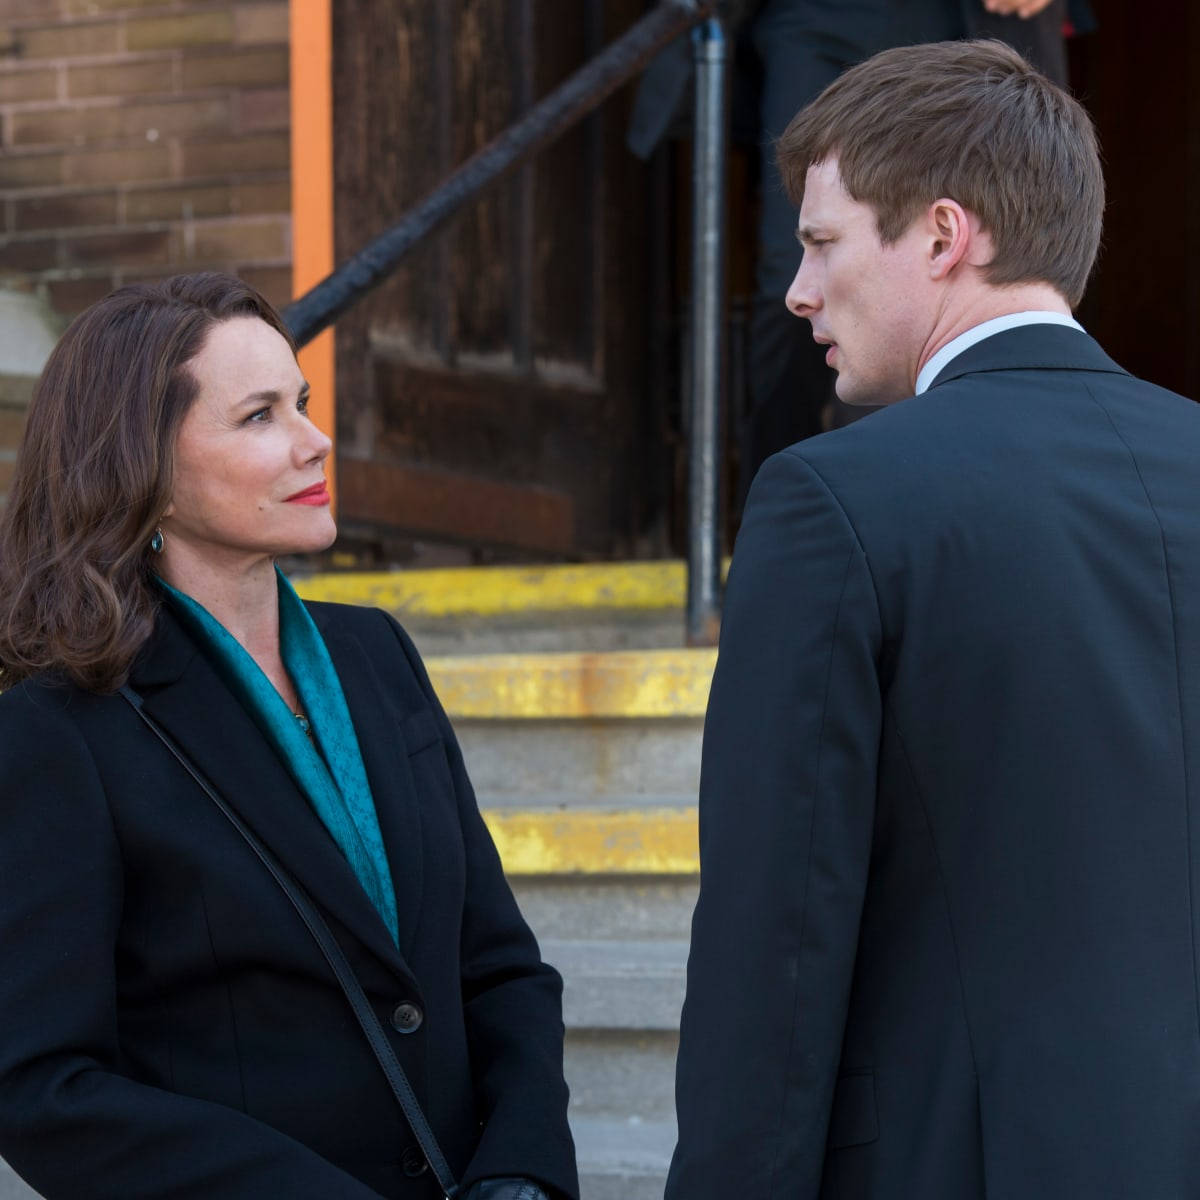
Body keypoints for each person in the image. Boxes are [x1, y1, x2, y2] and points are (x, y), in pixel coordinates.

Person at [667, 39, 1200, 1200]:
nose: (798, 290)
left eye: (820, 242)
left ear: (946, 236)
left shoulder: (833, 496)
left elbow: (778, 946)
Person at [0, 274, 578, 1200]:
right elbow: (42, 1087)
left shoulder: (377, 654)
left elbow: (500, 966)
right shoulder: (60, 726)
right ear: (143, 466)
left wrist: (524, 1172)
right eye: (260, 418)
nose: (316, 442)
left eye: (302, 404)